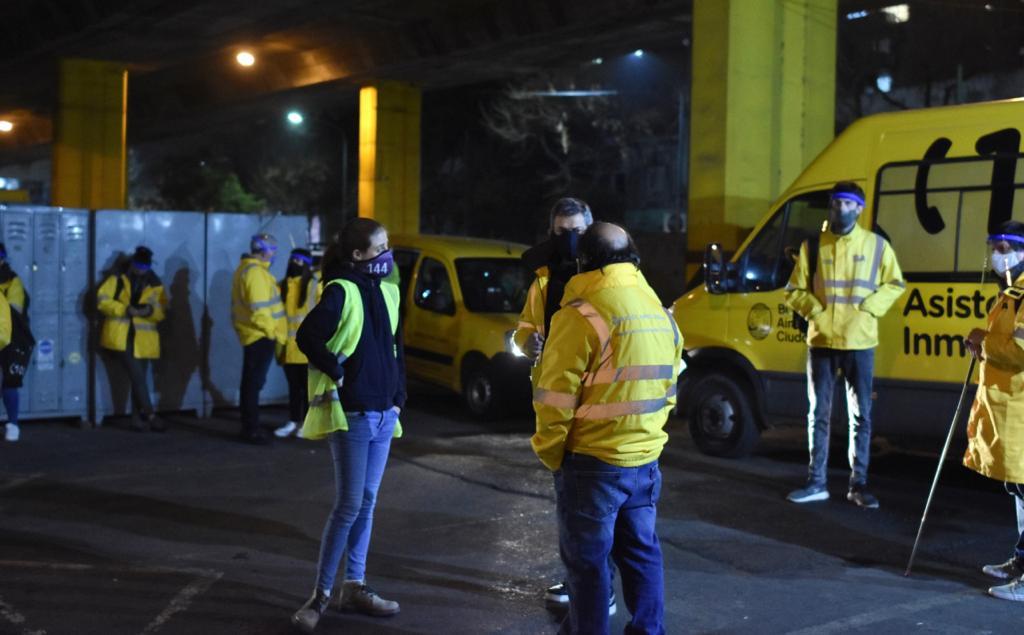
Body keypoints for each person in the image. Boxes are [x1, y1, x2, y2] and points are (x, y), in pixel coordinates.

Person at [532, 222, 683, 635]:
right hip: (645, 460)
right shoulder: (659, 310)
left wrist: (551, 453)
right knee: (642, 553)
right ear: (632, 257)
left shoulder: (579, 314)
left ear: (584, 261)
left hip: (592, 463)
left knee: (588, 565)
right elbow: (670, 386)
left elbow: (554, 399)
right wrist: (647, 437)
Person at [291, 218, 406, 633]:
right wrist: (337, 370)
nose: (388, 253)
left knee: (367, 502)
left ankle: (354, 586)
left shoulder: (388, 290)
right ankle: (320, 596)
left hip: (384, 413)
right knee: (349, 506)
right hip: (353, 413)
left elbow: (396, 349)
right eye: (381, 247)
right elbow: (307, 337)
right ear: (358, 255)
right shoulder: (341, 290)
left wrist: (398, 398)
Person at [513, 198, 614, 612]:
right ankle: (582, 582)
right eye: (561, 232)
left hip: (599, 403)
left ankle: (597, 589)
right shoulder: (543, 279)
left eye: (578, 231)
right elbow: (523, 327)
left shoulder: (608, 275)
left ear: (592, 230)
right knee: (572, 506)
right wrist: (526, 341)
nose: (570, 239)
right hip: (557, 403)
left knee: (594, 507)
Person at [784, 181, 905, 508]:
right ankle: (817, 483)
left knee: (861, 416)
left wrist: (869, 308)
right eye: (837, 203)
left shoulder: (876, 245)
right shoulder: (813, 245)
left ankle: (858, 485)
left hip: (859, 340)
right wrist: (817, 312)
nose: (841, 209)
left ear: (859, 209)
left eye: (848, 204)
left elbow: (896, 283)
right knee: (818, 415)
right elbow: (793, 290)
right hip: (822, 340)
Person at [963, 220, 1024, 602]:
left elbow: (1019, 351)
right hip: (1009, 409)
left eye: (1006, 248)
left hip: (1021, 408)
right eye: (995, 248)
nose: (999, 256)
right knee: (1018, 487)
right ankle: (1021, 559)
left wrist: (983, 342)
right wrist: (982, 345)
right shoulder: (1008, 294)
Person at [97, 246, 168, 432]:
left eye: (145, 267)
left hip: (143, 338)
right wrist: (124, 309)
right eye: (138, 266)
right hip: (121, 335)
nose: (141, 270)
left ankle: (136, 420)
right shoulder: (117, 278)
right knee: (137, 376)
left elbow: (161, 310)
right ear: (132, 263)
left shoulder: (155, 283)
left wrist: (149, 311)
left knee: (140, 379)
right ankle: (151, 415)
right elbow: (102, 301)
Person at [231, 233, 287, 445]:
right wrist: (272, 332)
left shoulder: (249, 270)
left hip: (255, 334)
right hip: (260, 335)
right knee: (253, 383)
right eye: (273, 250)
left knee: (252, 382)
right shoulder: (255, 273)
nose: (274, 254)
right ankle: (251, 429)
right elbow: (259, 309)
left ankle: (250, 425)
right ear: (264, 251)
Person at [274, 248, 320, 438]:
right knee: (294, 388)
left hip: (307, 348)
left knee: (307, 389)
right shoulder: (281, 286)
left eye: (299, 261)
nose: (295, 264)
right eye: (293, 260)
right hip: (287, 347)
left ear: (307, 265)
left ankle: (307, 424)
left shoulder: (314, 286)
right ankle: (293, 421)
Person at [0, 243, 28, 442]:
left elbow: (15, 310)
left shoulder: (12, 280)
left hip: (9, 337)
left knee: (9, 380)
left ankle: (13, 424)